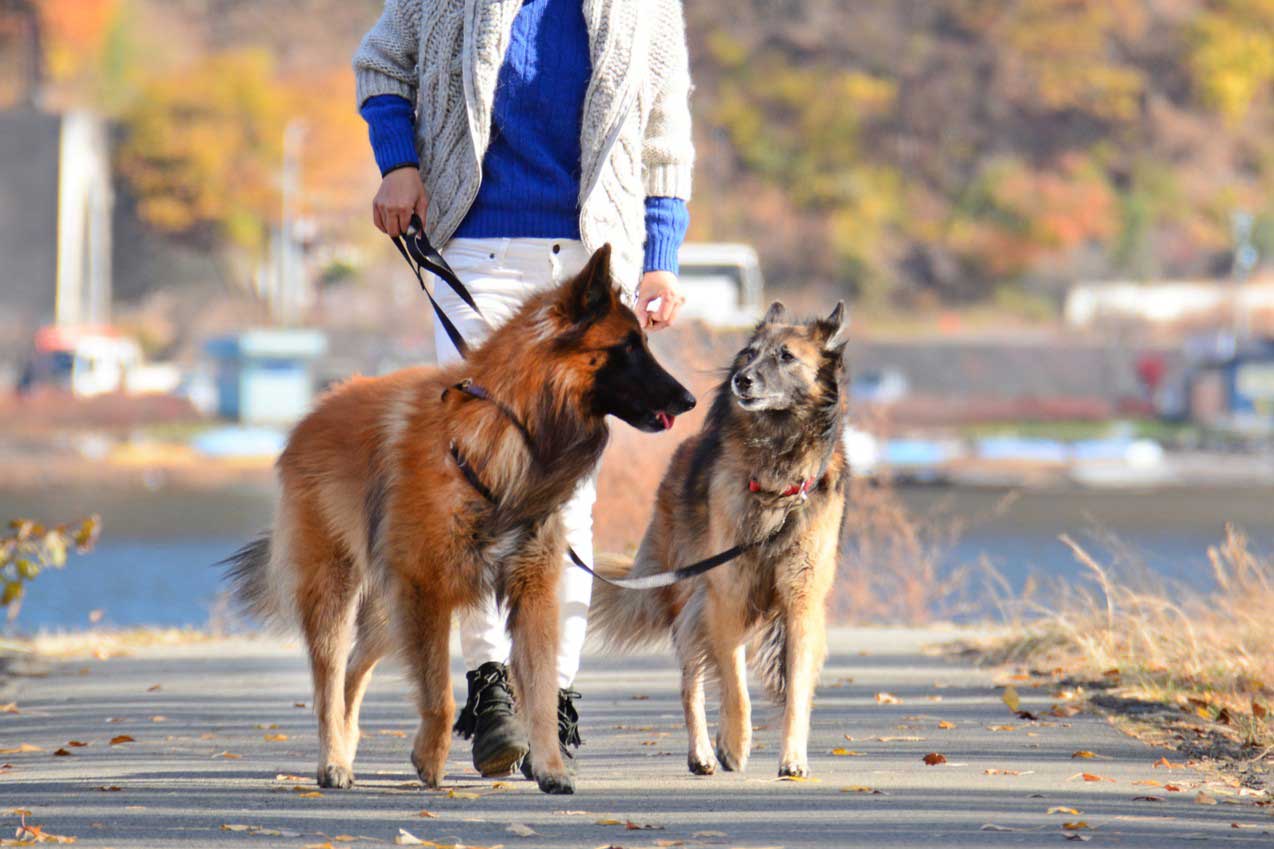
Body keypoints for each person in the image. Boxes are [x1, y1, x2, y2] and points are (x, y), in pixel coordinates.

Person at [352, 0, 695, 778]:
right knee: (468, 483)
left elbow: (665, 129)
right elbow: (382, 64)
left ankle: (553, 692)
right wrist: (398, 161)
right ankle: (487, 687)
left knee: (567, 489)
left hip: (592, 257)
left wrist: (660, 256)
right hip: (474, 247)